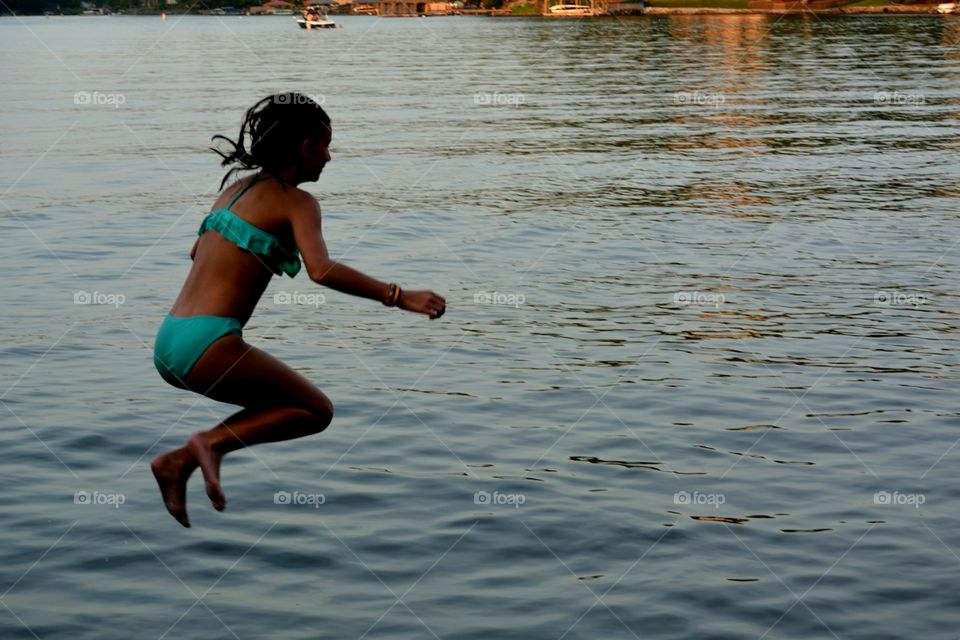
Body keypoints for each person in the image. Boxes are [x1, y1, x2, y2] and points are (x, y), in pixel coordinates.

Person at [150, 93, 446, 527]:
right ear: (306, 147)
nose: (329, 157)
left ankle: (180, 460)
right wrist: (400, 296)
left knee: (286, 405)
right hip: (208, 343)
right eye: (326, 145)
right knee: (315, 411)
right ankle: (206, 446)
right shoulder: (298, 202)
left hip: (170, 339)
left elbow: (198, 252)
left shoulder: (235, 190)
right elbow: (322, 271)